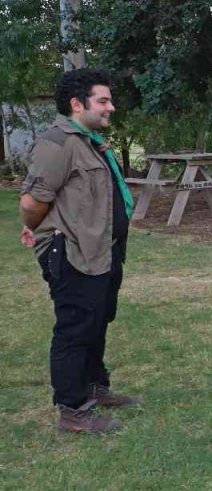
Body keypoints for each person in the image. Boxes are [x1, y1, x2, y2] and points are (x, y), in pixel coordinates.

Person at [18, 68, 140, 434]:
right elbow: (32, 201)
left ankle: (93, 387)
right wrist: (45, 232)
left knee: (98, 319)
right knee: (74, 327)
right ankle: (72, 410)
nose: (111, 107)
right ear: (77, 104)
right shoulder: (58, 143)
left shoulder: (88, 140)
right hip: (72, 252)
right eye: (103, 100)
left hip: (103, 250)